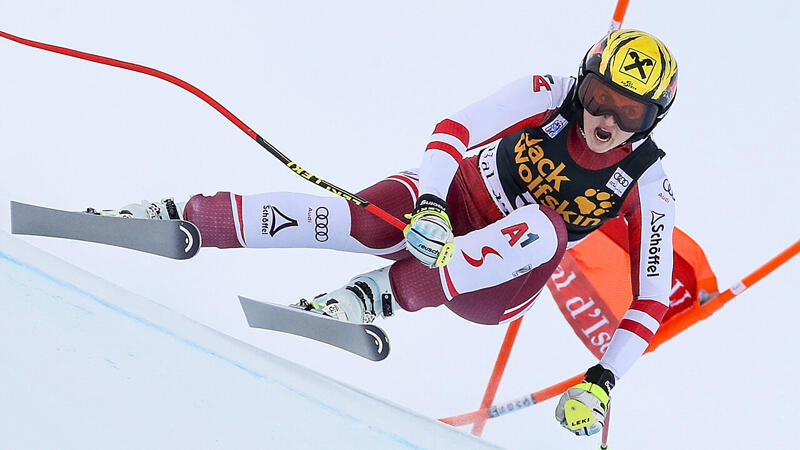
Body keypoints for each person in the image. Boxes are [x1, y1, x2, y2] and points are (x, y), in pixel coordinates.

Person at [105, 29, 677, 437]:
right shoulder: (550, 91)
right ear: (584, 84)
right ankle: (185, 215)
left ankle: (367, 298)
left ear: (653, 120)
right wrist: (429, 204)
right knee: (364, 218)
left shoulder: (649, 179)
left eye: (630, 114)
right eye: (600, 99)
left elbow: (652, 295)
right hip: (451, 207)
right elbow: (455, 131)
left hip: (496, 279)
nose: (606, 122)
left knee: (543, 225)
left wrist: (601, 382)